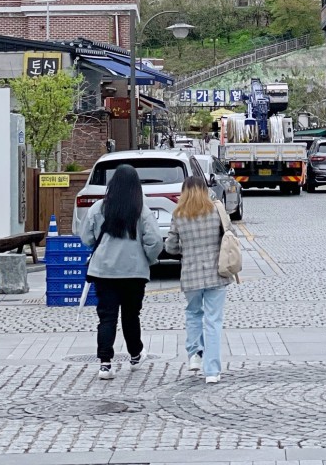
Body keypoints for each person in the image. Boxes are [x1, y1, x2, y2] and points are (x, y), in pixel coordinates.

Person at [80, 164, 163, 380]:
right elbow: (155, 241)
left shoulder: (98, 208)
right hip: (134, 272)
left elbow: (86, 237)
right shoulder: (141, 210)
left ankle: (105, 364)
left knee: (107, 317)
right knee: (131, 315)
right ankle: (135, 355)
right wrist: (148, 258)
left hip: (104, 271)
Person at [165, 175, 234, 385]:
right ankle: (212, 371)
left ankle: (195, 354)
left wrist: (184, 248)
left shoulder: (178, 214)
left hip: (191, 275)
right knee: (213, 321)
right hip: (217, 273)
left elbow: (170, 247)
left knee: (193, 313)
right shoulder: (216, 210)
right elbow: (229, 235)